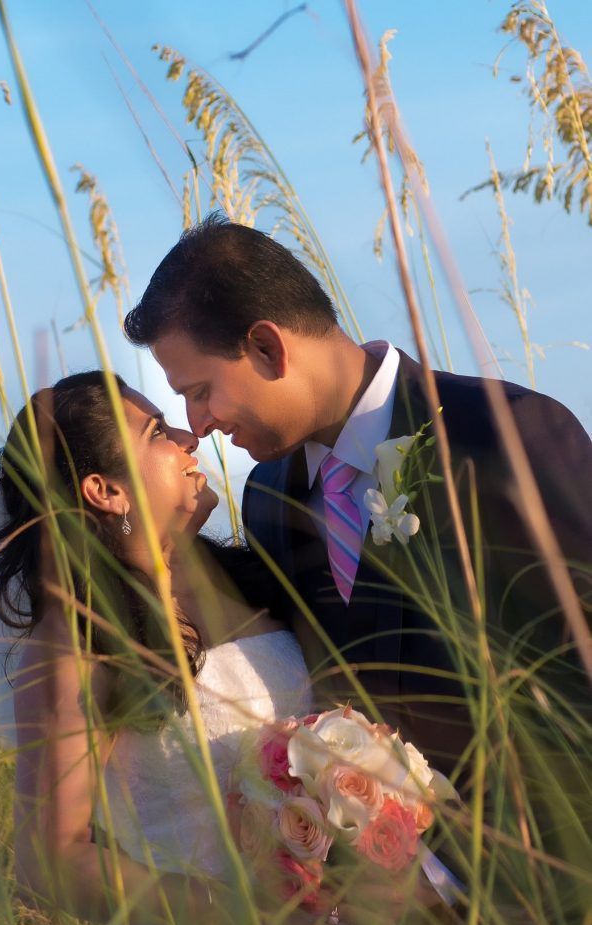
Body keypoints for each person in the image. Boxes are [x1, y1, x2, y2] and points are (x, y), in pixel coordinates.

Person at [123, 214, 592, 785]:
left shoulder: (501, 437)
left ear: (268, 347)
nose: (196, 425)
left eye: (200, 392)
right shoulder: (268, 501)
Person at [0, 371, 341, 925]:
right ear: (104, 490)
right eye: (157, 432)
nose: (190, 435)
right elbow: (50, 859)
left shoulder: (252, 574)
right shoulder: (81, 637)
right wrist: (234, 912)